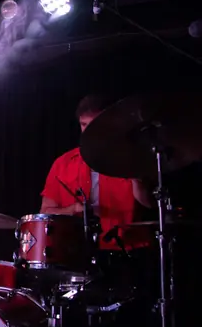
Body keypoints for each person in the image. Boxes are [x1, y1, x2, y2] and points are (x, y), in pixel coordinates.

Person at [40, 94, 153, 249]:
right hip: (75, 251)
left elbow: (149, 204)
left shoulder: (130, 156)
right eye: (84, 125)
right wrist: (72, 210)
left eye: (93, 125)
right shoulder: (63, 163)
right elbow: (45, 212)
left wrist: (136, 179)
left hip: (124, 249)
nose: (87, 132)